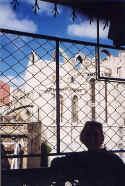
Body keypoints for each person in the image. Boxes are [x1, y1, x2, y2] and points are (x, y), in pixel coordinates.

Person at [51, 121, 125, 186]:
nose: (92, 138)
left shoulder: (79, 158)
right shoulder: (113, 159)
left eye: (95, 135)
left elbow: (55, 162)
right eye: (88, 135)